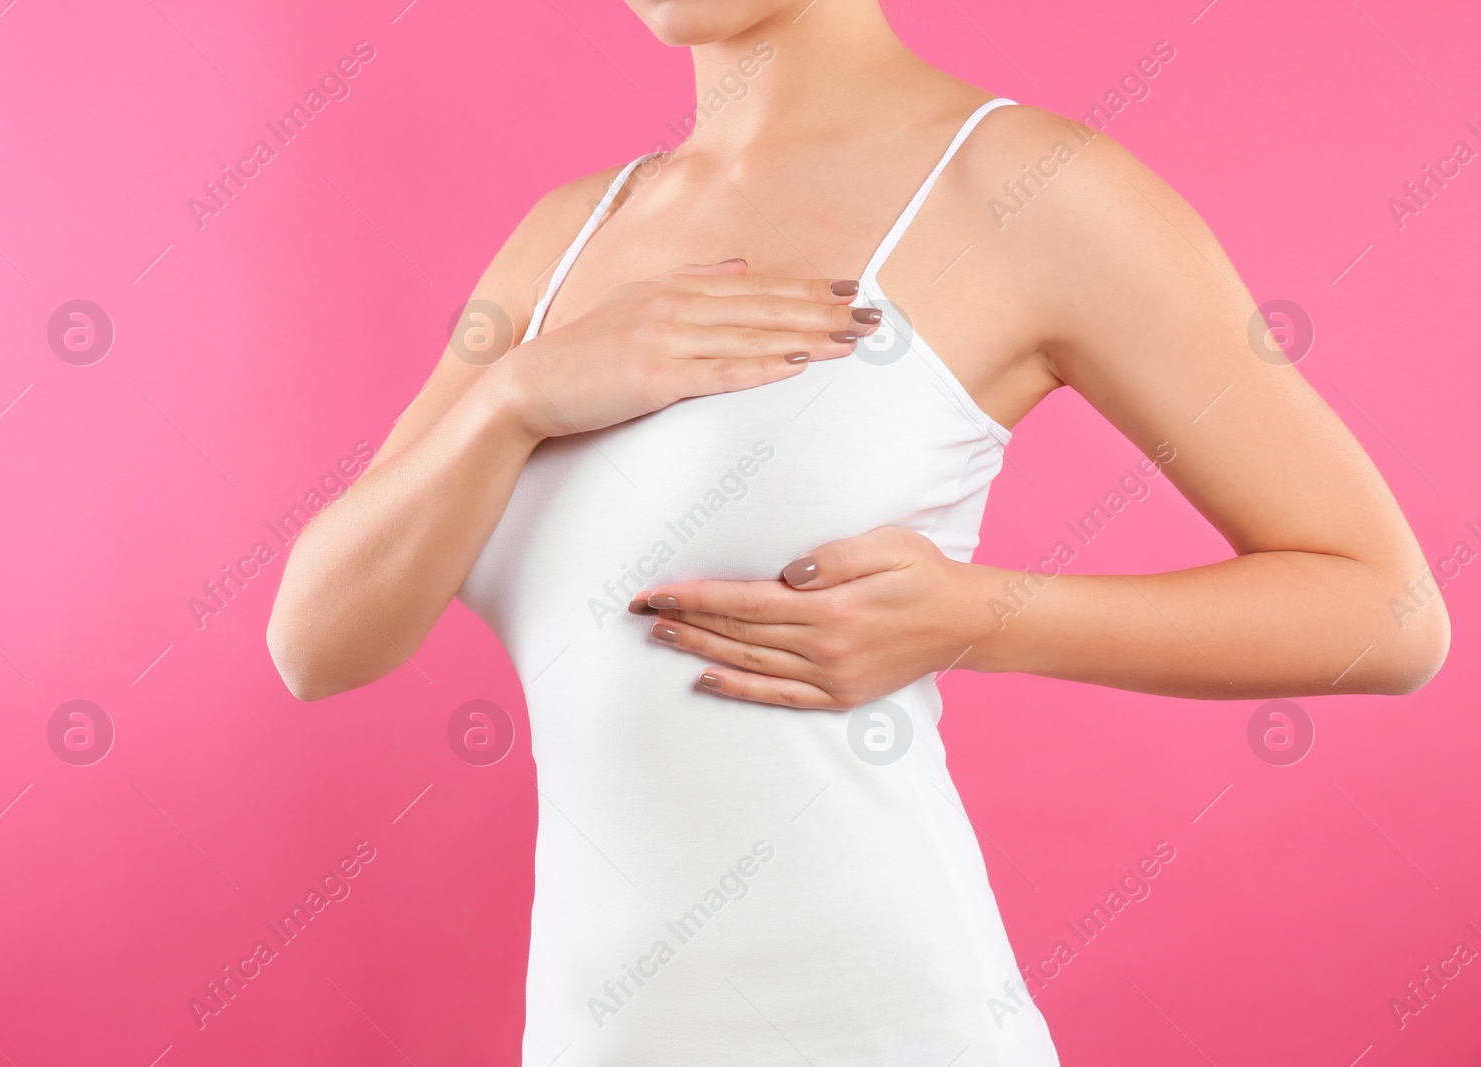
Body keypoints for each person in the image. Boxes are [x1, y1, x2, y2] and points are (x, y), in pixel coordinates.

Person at [265, 1, 1449, 1062]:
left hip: (892, 1024)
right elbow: (318, 643)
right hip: (596, 1032)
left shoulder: (1022, 184)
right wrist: (515, 397)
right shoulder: (565, 238)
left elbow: (1386, 611)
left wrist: (976, 617)